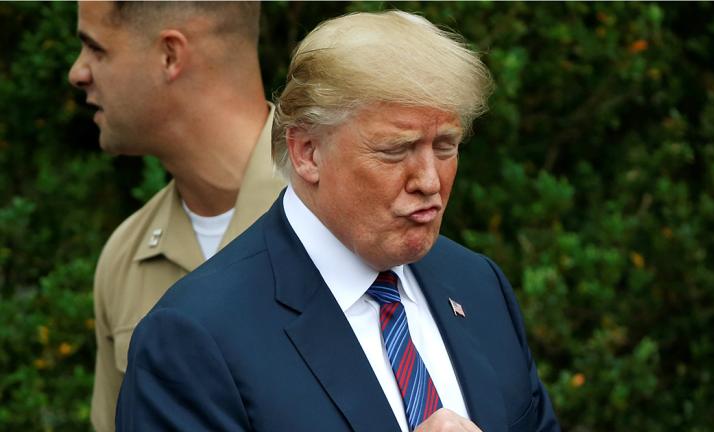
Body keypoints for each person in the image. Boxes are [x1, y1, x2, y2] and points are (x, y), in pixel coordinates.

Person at [116, 10, 559, 432]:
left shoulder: (478, 285)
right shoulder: (194, 337)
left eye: (445, 146)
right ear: (307, 151)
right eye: (396, 150)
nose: (429, 180)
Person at [67, 2, 285, 431]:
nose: (78, 72)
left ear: (170, 56)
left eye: (96, 48)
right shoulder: (126, 258)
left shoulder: (340, 219)